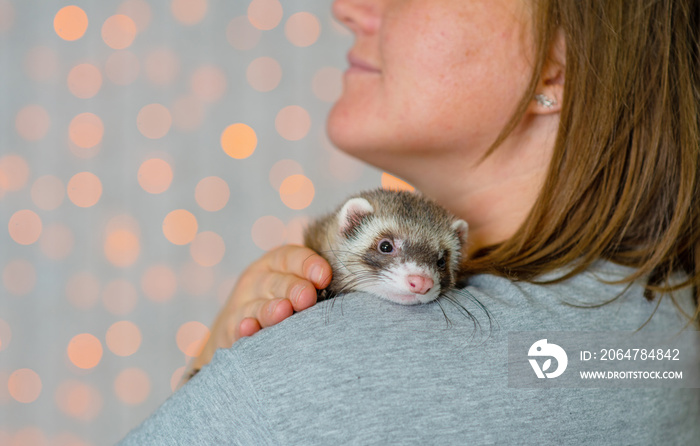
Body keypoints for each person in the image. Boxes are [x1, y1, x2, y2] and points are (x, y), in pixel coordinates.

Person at [121, 0, 700, 444]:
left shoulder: (317, 367)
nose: (348, 8)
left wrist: (219, 372)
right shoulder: (671, 317)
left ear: (554, 67)